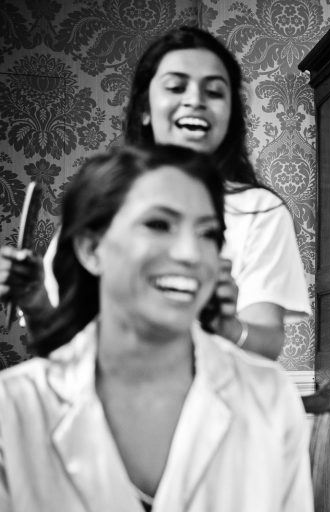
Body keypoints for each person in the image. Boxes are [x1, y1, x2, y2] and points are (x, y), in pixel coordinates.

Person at [0, 145, 313, 511]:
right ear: (91, 249)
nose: (190, 254)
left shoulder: (271, 399)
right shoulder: (12, 409)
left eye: (208, 234)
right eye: (158, 224)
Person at [0, 26, 310, 360]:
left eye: (215, 92)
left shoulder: (259, 210)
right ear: (145, 108)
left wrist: (224, 324)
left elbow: (266, 347)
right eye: (177, 86)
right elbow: (59, 341)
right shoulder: (100, 200)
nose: (195, 100)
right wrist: (35, 302)